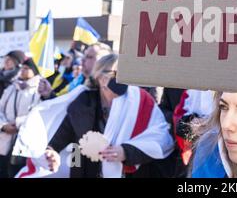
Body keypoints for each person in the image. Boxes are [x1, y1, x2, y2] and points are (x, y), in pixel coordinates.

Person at [14, 54, 175, 178]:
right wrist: (51, 151)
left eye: (124, 73)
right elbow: (62, 133)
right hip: (85, 170)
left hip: (129, 173)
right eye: (115, 73)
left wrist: (126, 152)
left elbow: (160, 137)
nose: (120, 78)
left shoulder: (140, 101)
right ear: (99, 76)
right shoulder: (83, 101)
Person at [0, 57, 41, 177]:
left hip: (23, 142)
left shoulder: (39, 90)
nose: (23, 71)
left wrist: (17, 124)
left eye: (27, 68)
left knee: (17, 172)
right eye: (22, 68)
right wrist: (3, 126)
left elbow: (36, 113)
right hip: (5, 138)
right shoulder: (12, 87)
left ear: (35, 71)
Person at [39, 42, 112, 100]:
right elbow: (62, 103)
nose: (83, 60)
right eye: (84, 56)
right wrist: (48, 94)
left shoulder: (110, 89)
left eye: (89, 57)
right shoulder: (77, 82)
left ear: (103, 61)